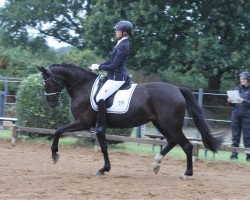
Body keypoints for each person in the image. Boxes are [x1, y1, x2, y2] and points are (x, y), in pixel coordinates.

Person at [89, 20, 133, 134]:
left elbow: (114, 65)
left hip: (117, 78)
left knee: (100, 98)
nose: (115, 31)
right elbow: (110, 61)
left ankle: (101, 126)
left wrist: (99, 67)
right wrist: (98, 65)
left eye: (117, 30)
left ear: (124, 32)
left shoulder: (124, 45)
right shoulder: (120, 43)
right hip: (112, 76)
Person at [227, 71, 250, 161]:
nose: (242, 80)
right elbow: (232, 104)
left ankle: (248, 156)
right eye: (241, 79)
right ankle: (234, 155)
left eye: (244, 79)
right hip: (236, 115)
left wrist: (244, 101)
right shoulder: (237, 88)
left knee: (247, 137)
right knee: (235, 136)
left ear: (248, 79)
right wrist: (229, 101)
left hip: (247, 116)